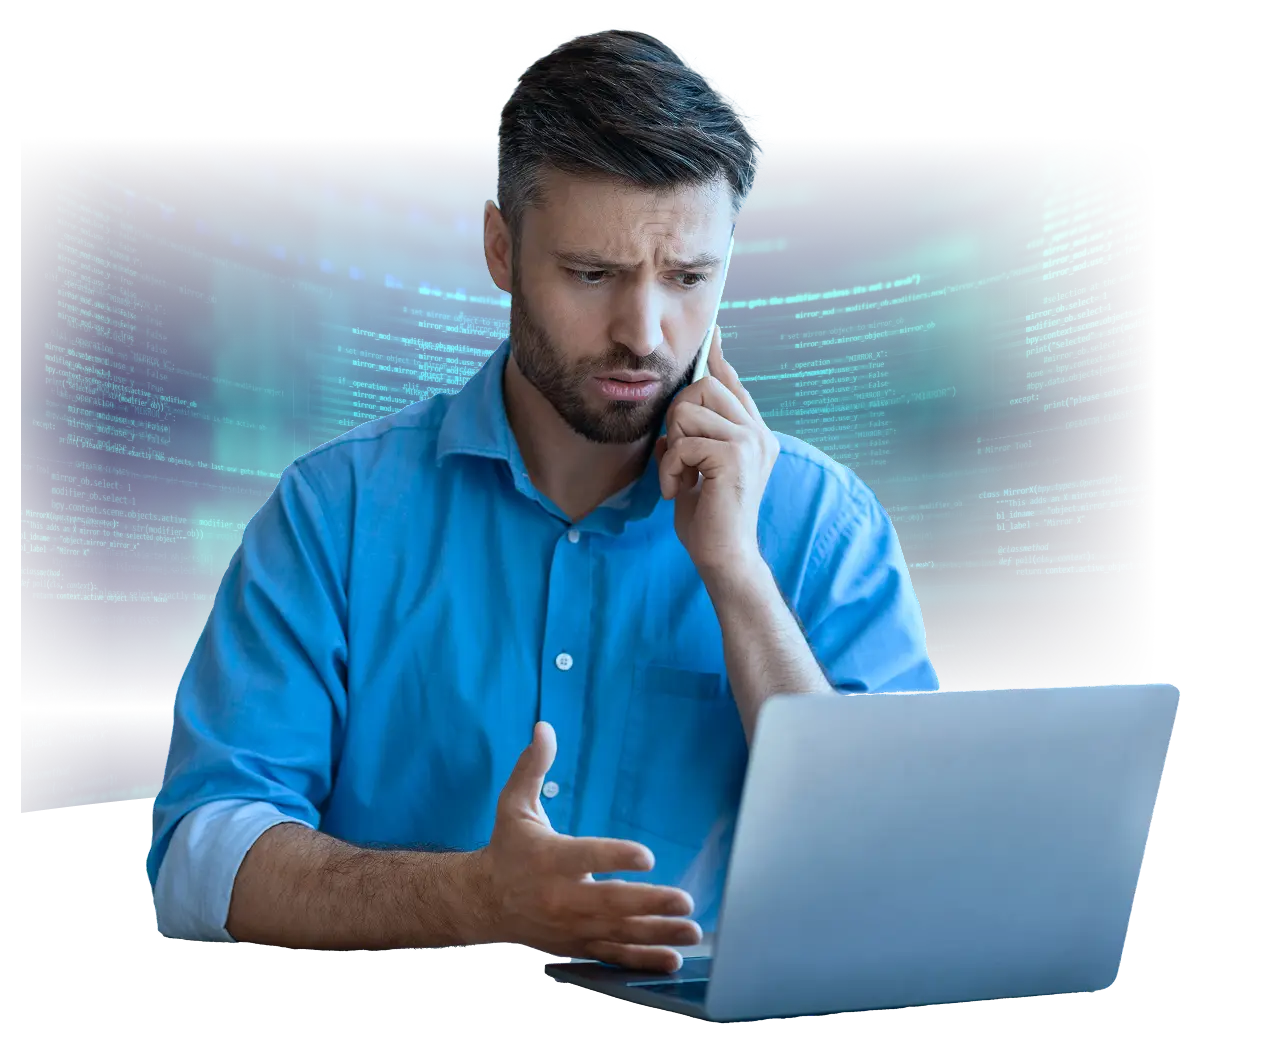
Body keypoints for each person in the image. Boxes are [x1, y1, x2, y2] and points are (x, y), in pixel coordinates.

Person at [146, 27, 939, 972]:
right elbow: (201, 863)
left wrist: (736, 577)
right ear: (500, 249)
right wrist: (472, 897)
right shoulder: (334, 510)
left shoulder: (829, 529)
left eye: (689, 279)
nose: (643, 333)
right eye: (591, 275)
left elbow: (901, 875)